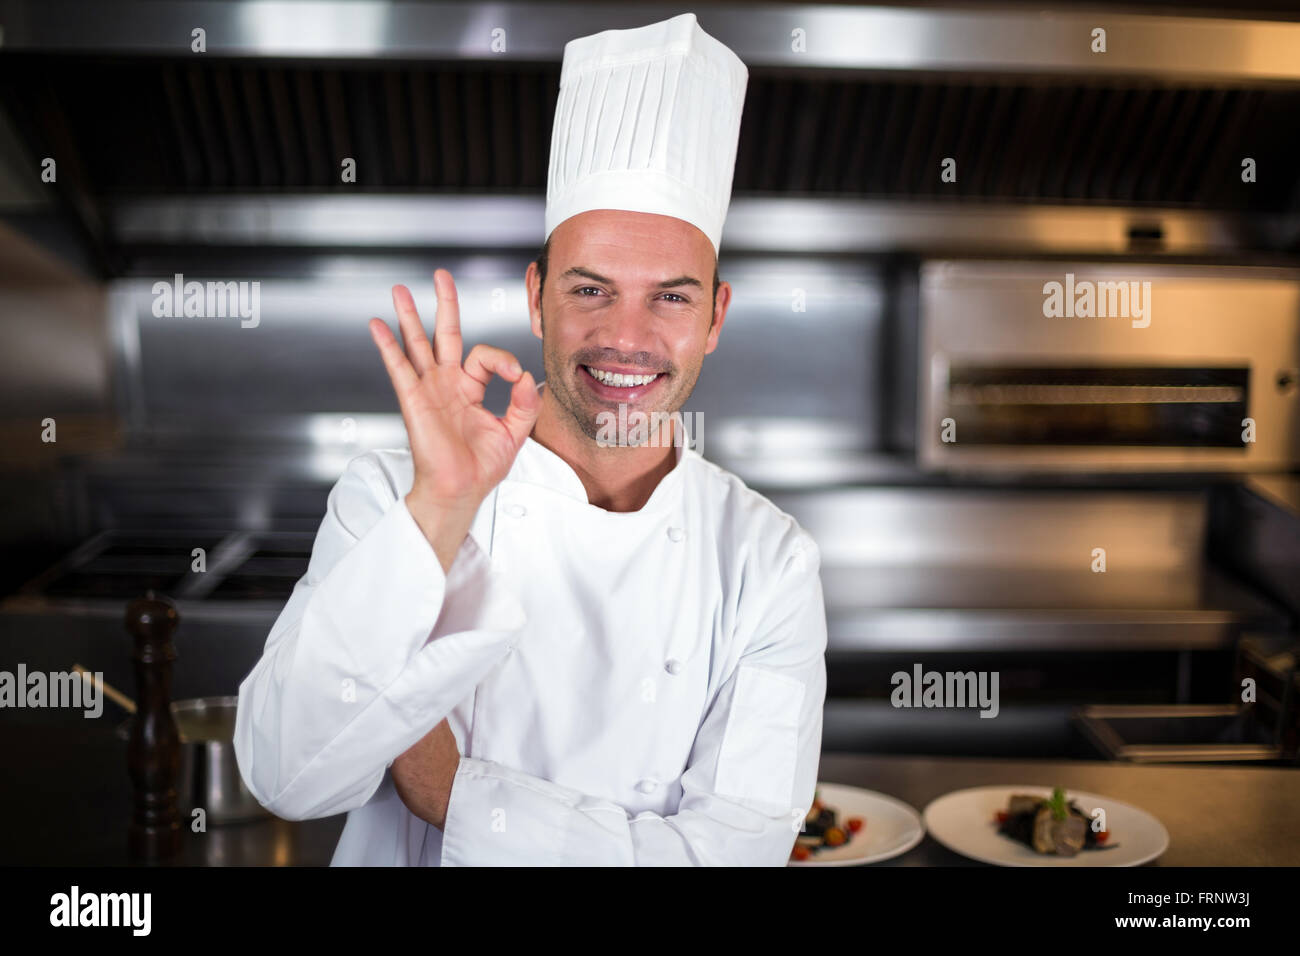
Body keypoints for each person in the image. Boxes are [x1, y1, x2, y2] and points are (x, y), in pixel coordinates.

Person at [234, 11, 828, 866]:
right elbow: (285, 781)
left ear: (715, 319)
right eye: (591, 289)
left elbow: (731, 856)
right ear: (536, 295)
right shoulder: (396, 498)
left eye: (670, 296)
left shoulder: (767, 562)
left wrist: (452, 795)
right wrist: (437, 515)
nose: (626, 336)